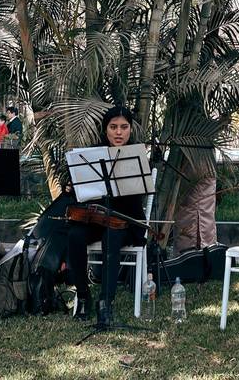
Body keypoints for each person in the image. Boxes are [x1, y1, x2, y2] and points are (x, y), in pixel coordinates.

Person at [65, 105, 147, 325]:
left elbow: (135, 200)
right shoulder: (92, 156)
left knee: (112, 236)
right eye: (113, 127)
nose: (118, 132)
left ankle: (105, 302)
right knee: (75, 235)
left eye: (123, 127)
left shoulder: (135, 156)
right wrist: (73, 187)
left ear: (131, 129)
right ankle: (83, 295)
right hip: (98, 218)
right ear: (105, 130)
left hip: (127, 222)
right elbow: (83, 194)